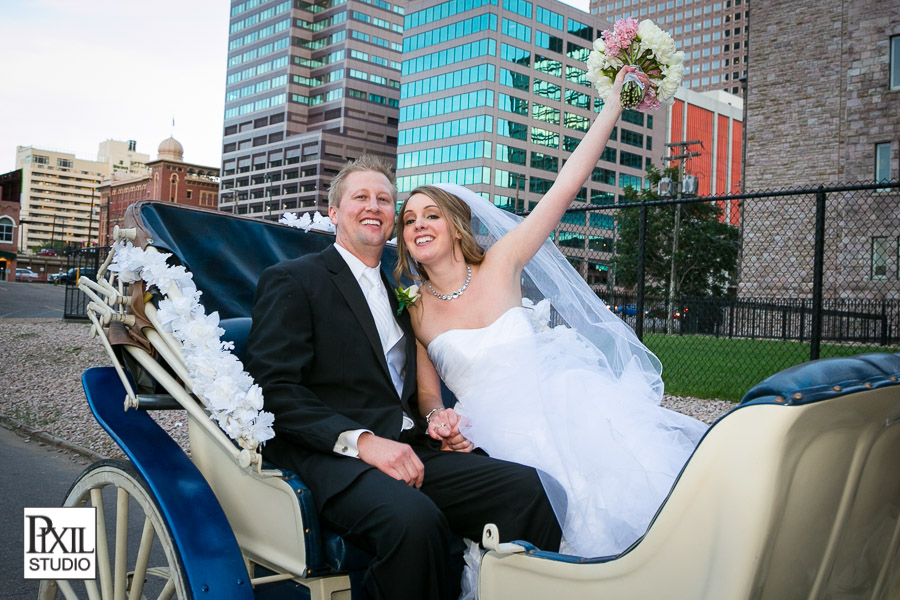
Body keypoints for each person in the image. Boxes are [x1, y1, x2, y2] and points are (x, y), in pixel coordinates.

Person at [393, 66, 708, 559]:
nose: (419, 224)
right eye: (409, 219)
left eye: (431, 214)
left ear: (456, 227)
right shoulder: (414, 307)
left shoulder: (502, 263)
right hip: (487, 437)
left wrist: (613, 106)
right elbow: (428, 392)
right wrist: (438, 420)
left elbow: (566, 185)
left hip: (563, 407)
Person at [244, 154, 562, 600]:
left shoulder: (406, 296)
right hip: (336, 461)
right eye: (361, 197)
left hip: (411, 450)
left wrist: (438, 422)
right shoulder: (295, 280)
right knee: (415, 522)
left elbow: (419, 391)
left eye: (384, 199)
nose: (374, 206)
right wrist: (364, 442)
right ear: (334, 212)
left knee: (528, 489)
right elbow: (273, 389)